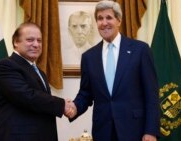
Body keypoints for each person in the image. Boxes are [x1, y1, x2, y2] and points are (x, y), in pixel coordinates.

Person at [65, 0, 160, 141]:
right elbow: (86, 93)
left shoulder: (140, 50)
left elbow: (151, 95)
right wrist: (74, 108)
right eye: (100, 18)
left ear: (119, 20)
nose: (104, 23)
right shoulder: (89, 57)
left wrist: (151, 131)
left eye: (109, 17)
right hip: (103, 131)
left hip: (135, 130)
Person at [0, 22, 73, 141]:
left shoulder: (40, 72)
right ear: (16, 42)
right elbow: (28, 96)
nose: (36, 44)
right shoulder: (6, 66)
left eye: (39, 41)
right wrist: (62, 104)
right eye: (30, 40)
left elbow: (41, 104)